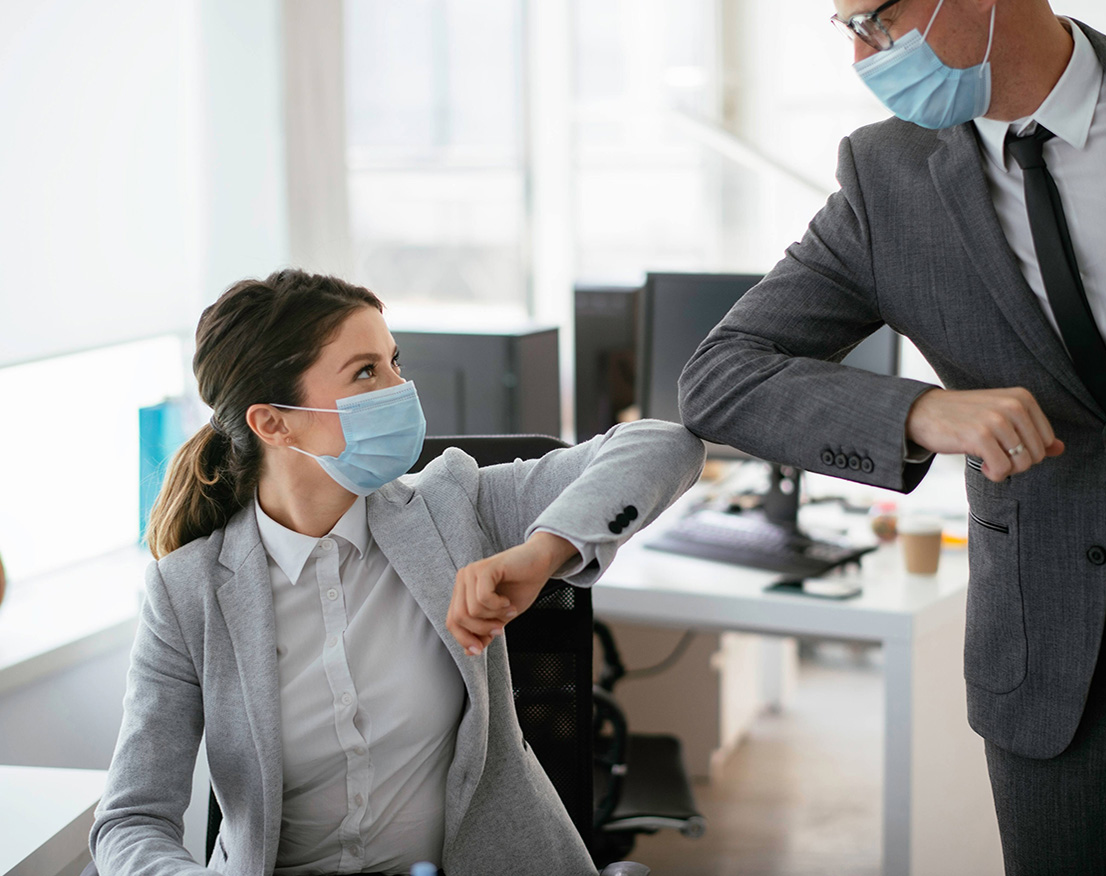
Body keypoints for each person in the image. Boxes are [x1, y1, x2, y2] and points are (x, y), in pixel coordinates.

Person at [678, 0, 1106, 872]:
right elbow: (722, 375)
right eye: (845, 30)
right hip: (1048, 670)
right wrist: (922, 411)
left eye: (875, 26)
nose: (860, 57)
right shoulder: (886, 179)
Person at [90, 269, 705, 876]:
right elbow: (132, 820)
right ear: (272, 422)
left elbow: (665, 445)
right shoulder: (187, 592)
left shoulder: (452, 507)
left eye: (394, 363)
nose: (400, 388)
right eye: (365, 372)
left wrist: (541, 552)